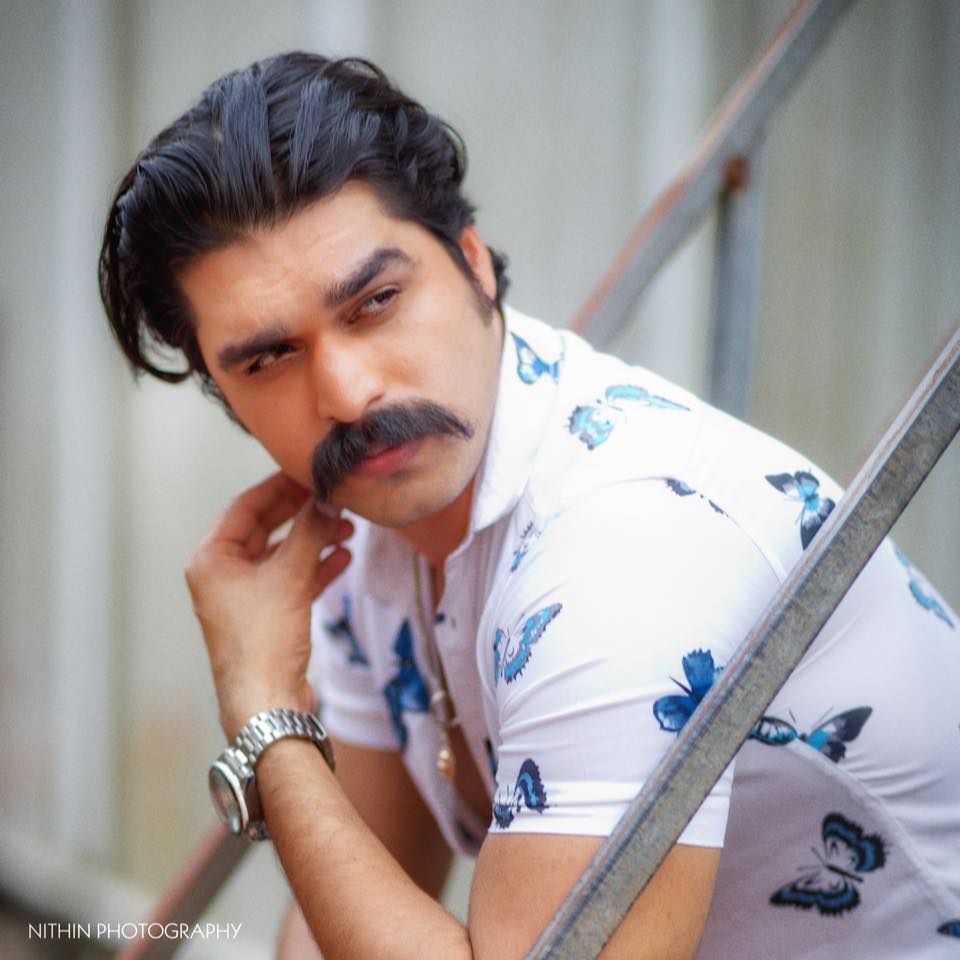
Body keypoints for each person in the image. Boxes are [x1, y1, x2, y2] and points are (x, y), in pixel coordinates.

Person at [98, 52, 960, 959]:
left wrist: (266, 712)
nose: (348, 393)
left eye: (377, 302)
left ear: (472, 262)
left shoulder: (625, 540)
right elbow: (340, 920)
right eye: (269, 358)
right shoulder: (367, 536)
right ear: (228, 397)